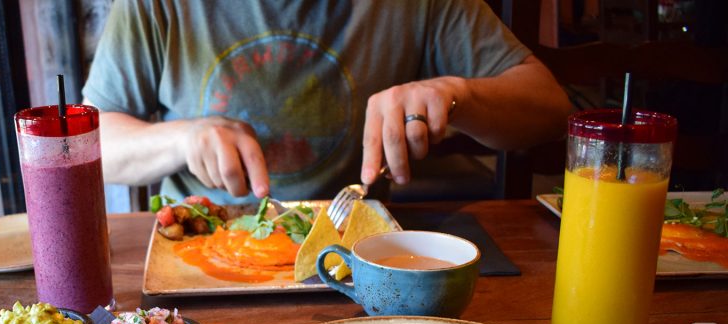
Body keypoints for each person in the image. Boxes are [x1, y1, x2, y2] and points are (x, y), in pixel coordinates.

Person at [82, 0, 571, 204]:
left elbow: (550, 107)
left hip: (359, 258)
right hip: (196, 259)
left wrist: (457, 96)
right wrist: (183, 138)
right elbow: (89, 140)